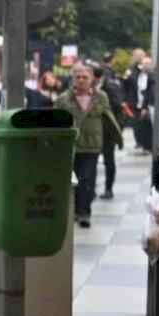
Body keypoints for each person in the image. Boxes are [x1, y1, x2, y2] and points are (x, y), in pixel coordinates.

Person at [57, 63, 112, 229]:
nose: (81, 80)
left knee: (86, 179)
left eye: (84, 77)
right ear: (73, 79)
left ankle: (84, 213)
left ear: (92, 79)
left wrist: (112, 141)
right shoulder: (63, 99)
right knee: (72, 181)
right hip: (70, 146)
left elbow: (108, 119)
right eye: (77, 77)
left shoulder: (101, 97)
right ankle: (74, 210)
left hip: (92, 145)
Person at [95, 66, 124, 200]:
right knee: (91, 160)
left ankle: (108, 188)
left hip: (107, 132)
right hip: (94, 131)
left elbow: (118, 109)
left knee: (108, 160)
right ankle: (90, 189)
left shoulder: (111, 88)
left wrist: (117, 129)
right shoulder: (90, 88)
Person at [124, 54, 155, 153]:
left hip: (148, 105)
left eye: (148, 63)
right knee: (137, 124)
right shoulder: (136, 74)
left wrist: (145, 106)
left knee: (148, 126)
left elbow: (150, 91)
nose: (146, 65)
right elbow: (128, 85)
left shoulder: (153, 76)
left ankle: (148, 145)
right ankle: (141, 143)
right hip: (136, 103)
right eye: (144, 63)